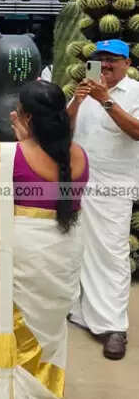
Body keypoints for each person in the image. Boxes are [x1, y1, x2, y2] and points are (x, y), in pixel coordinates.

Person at [0, 80, 89, 399]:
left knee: (12, 325)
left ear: (25, 118)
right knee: (49, 327)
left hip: (25, 251)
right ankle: (44, 387)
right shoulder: (79, 153)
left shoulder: (7, 155)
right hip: (65, 248)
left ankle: (11, 392)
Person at [66, 39, 139, 360]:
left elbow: (137, 131)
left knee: (111, 254)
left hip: (114, 188)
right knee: (76, 248)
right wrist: (78, 102)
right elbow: (65, 130)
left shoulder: (135, 92)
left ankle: (114, 326)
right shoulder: (84, 90)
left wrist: (105, 100)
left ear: (127, 63)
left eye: (112, 60)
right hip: (78, 183)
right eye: (99, 59)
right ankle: (82, 314)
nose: (105, 65)